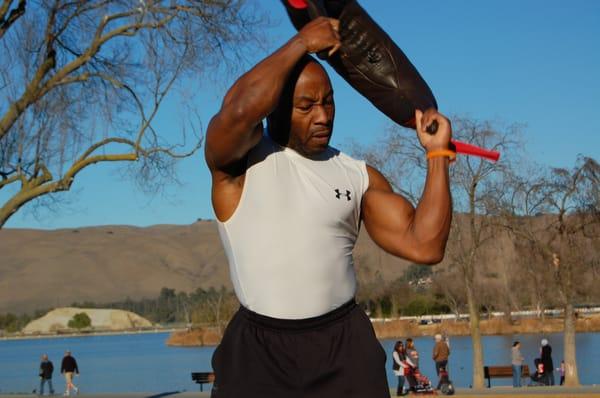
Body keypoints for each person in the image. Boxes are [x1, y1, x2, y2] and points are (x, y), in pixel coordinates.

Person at [205, 15, 453, 398]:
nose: (322, 116)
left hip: (344, 347)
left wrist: (436, 155)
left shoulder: (357, 175)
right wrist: (302, 43)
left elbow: (425, 245)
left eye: (328, 102)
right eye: (306, 106)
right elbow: (238, 111)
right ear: (275, 107)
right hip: (260, 352)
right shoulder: (238, 166)